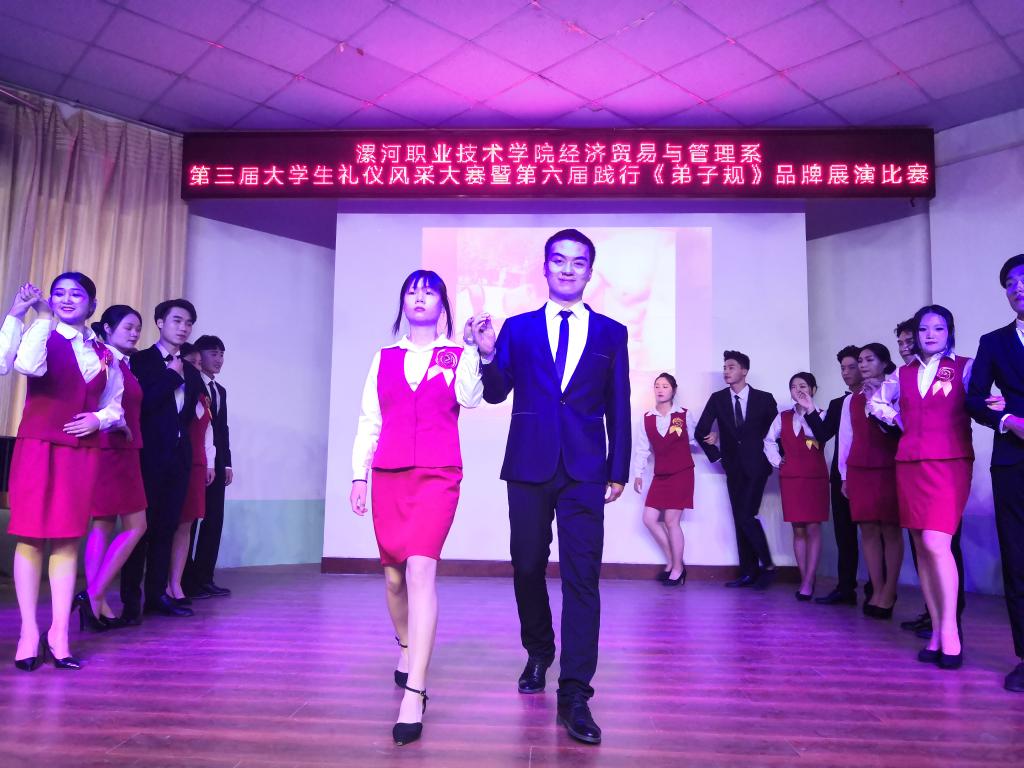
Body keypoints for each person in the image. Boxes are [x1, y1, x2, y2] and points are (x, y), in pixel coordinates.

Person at [472, 229, 630, 746]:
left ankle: (576, 693)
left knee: (583, 578)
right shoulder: (517, 328)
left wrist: (618, 468)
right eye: (558, 260)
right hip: (528, 464)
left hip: (585, 469)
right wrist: (488, 354)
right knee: (526, 566)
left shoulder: (612, 333)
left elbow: (619, 404)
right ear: (544, 267)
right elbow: (496, 394)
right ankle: (539, 650)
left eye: (578, 262)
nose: (567, 268)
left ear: (590, 271)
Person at [351, 270, 482, 746]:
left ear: (442, 304)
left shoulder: (456, 353)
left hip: (437, 474)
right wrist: (358, 475)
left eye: (429, 292)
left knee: (421, 570)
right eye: (412, 291)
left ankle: (416, 691)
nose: (420, 298)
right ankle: (406, 645)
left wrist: (473, 350)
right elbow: (370, 420)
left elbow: (470, 398)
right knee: (393, 577)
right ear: (403, 303)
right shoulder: (384, 357)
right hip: (388, 474)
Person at [9, 272, 124, 670]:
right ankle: (28, 632)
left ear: (92, 304)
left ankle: (59, 634)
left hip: (81, 453)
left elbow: (115, 403)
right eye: (59, 293)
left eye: (76, 294)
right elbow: (27, 365)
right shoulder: (44, 332)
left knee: (67, 540)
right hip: (37, 447)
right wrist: (40, 317)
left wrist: (99, 419)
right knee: (30, 538)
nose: (67, 299)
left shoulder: (106, 353)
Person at [869, 305, 974, 670]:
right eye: (924, 329)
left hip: (949, 463)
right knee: (921, 548)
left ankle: (951, 631)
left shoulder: (965, 366)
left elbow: (980, 401)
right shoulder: (902, 373)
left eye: (938, 328)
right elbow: (876, 402)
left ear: (949, 333)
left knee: (935, 543)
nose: (930, 335)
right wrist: (898, 418)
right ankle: (936, 631)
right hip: (909, 464)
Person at [119, 299, 204, 622]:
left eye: (188, 323)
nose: (183, 328)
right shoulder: (140, 360)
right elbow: (141, 405)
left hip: (179, 459)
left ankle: (156, 595)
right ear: (159, 322)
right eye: (177, 321)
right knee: (139, 531)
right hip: (147, 457)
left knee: (166, 528)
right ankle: (130, 601)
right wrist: (170, 376)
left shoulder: (190, 369)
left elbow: (188, 416)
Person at [965, 253, 1024, 691]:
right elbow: (974, 398)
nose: (1018, 288)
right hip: (1012, 459)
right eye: (1010, 283)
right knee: (1018, 559)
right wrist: (1007, 420)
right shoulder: (993, 342)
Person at [80, 305, 149, 631]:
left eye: (137, 328)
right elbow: (102, 403)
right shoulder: (106, 359)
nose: (134, 333)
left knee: (104, 523)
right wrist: (118, 423)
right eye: (128, 327)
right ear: (107, 328)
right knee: (135, 525)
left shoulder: (121, 361)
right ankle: (94, 595)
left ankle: (97, 604)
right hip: (114, 449)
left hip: (122, 450)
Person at [695, 350, 779, 589]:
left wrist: (776, 460)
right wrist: (717, 454)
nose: (726, 371)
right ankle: (749, 572)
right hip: (732, 467)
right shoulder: (718, 398)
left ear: (744, 370)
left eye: (731, 367)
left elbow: (777, 432)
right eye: (724, 367)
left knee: (746, 515)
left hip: (758, 466)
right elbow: (700, 430)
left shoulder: (764, 399)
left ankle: (767, 564)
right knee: (740, 517)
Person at [840, 344, 903, 619]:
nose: (863, 365)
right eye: (860, 360)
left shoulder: (896, 390)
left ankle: (889, 591)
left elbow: (900, 427)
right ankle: (876, 589)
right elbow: (846, 438)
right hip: (859, 468)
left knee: (890, 529)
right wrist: (844, 475)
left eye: (869, 360)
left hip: (888, 465)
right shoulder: (851, 399)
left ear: (884, 363)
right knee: (867, 530)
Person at [805, 346, 863, 606]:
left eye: (852, 367)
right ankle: (845, 587)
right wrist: (809, 408)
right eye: (842, 368)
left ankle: (879, 589)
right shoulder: (838, 403)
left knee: (877, 534)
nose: (846, 372)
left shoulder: (877, 397)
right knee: (844, 535)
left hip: (869, 475)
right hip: (840, 477)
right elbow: (823, 434)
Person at [764, 372, 828, 600]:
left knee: (813, 528)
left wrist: (808, 409)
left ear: (813, 389)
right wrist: (777, 460)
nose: (798, 390)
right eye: (794, 387)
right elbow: (768, 441)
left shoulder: (823, 414)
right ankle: (804, 579)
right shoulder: (783, 416)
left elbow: (819, 435)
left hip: (815, 477)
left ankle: (809, 580)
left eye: (803, 386)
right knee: (798, 529)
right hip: (791, 478)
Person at [633, 373, 697, 587]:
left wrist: (712, 439)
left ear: (673, 390)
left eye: (665, 386)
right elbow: (642, 449)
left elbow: (695, 439)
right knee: (649, 518)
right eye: (657, 386)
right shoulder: (647, 418)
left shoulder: (683, 414)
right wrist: (638, 474)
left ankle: (677, 569)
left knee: (671, 521)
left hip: (682, 472)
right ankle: (673, 561)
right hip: (660, 475)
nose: (660, 390)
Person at [184, 334, 233, 600]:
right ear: (199, 356)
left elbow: (221, 429)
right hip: (195, 461)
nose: (219, 359)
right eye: (213, 354)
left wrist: (227, 463)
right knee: (190, 520)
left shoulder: (219, 390)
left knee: (214, 519)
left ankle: (205, 578)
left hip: (217, 463)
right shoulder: (192, 383)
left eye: (221, 354)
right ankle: (185, 579)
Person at [166, 343, 214, 607]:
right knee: (171, 523)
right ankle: (164, 584)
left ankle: (177, 583)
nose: (197, 368)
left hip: (197, 464)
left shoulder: (202, 396)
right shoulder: (175, 390)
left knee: (187, 525)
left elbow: (209, 434)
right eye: (192, 363)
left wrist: (210, 464)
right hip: (177, 461)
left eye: (198, 363)